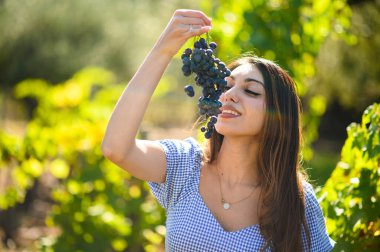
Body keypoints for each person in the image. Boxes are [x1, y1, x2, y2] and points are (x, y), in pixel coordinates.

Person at [102, 9, 335, 252]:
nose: (229, 95)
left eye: (251, 91)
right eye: (226, 86)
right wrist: (163, 50)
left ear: (278, 118)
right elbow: (116, 148)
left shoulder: (295, 200)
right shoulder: (185, 165)